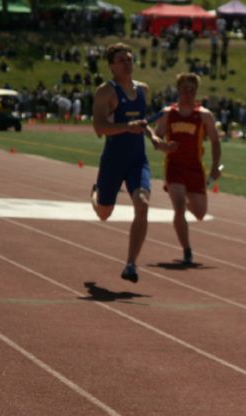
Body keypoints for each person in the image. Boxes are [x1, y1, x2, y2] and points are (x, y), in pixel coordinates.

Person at [91, 42, 164, 283]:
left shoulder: (143, 90)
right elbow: (99, 128)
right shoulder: (106, 92)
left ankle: (131, 264)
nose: (127, 62)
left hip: (137, 160)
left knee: (142, 204)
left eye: (130, 58)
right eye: (121, 59)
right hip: (113, 160)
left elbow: (142, 122)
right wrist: (125, 127)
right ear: (112, 66)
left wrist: (153, 137)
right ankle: (96, 193)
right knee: (103, 213)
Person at [151, 73, 222, 265]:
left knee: (199, 213)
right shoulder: (168, 113)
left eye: (192, 89)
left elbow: (215, 142)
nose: (188, 93)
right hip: (174, 167)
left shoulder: (204, 115)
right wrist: (165, 146)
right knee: (179, 207)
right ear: (178, 89)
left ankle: (184, 198)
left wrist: (215, 167)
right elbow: (155, 138)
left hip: (195, 168)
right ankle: (187, 250)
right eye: (184, 89)